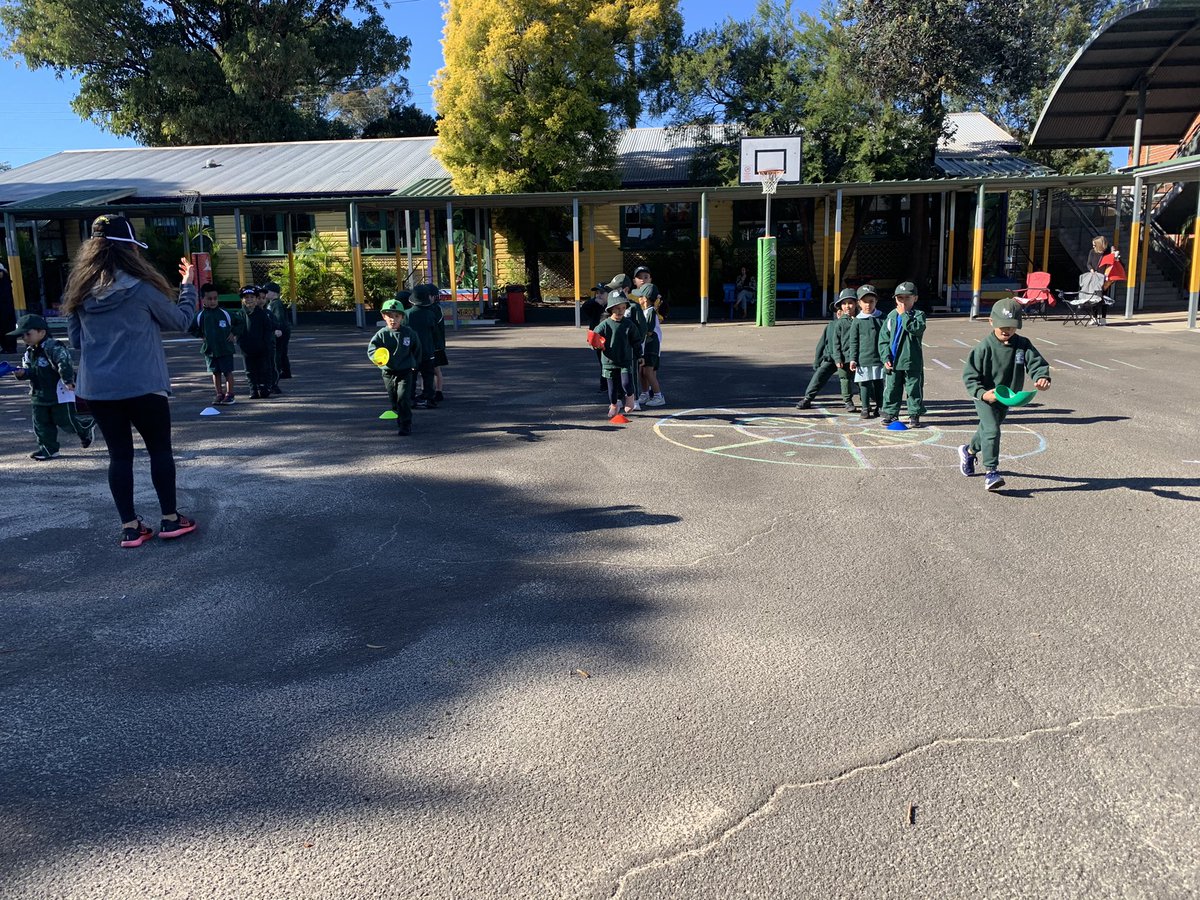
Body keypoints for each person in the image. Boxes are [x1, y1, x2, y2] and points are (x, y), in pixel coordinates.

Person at [63, 215, 198, 547]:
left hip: (99, 389)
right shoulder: (143, 289)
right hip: (143, 384)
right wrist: (189, 287)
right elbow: (181, 322)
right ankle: (169, 519)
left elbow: (77, 342)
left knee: (119, 456)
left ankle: (130, 528)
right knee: (159, 451)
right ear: (130, 251)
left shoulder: (79, 293)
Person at [960, 297, 1052, 492]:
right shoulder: (983, 348)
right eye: (1002, 325)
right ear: (991, 322)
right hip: (986, 396)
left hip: (1008, 396)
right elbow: (970, 376)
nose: (1006, 330)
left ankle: (968, 451)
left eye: (1011, 326)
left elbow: (1036, 363)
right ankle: (991, 472)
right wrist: (982, 394)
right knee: (992, 430)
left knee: (986, 430)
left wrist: (1042, 377)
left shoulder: (1022, 344)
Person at [9, 312, 96, 460]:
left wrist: (68, 380)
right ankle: (48, 448)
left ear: (41, 332)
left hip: (59, 393)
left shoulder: (54, 347)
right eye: (22, 336)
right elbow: (30, 370)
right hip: (38, 394)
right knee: (41, 423)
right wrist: (21, 373)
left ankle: (85, 429)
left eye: (27, 334)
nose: (24, 338)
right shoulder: (29, 352)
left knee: (66, 421)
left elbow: (64, 362)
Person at [368, 299, 422, 436]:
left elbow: (417, 349)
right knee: (394, 399)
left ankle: (406, 424)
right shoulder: (382, 334)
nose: (393, 319)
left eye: (397, 316)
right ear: (384, 317)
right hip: (388, 371)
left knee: (403, 397)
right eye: (390, 316)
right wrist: (377, 358)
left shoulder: (409, 333)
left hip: (405, 371)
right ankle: (399, 414)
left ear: (402, 317)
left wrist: (415, 364)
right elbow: (372, 350)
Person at [797, 290, 857, 410]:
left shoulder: (857, 322)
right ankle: (807, 398)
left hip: (847, 357)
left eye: (849, 303)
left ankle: (865, 400)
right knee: (819, 376)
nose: (839, 312)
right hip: (831, 357)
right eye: (838, 310)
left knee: (858, 380)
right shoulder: (831, 326)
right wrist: (817, 360)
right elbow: (821, 344)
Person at [879, 282, 927, 427]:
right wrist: (885, 356)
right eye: (900, 298)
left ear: (915, 299)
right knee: (892, 388)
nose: (903, 301)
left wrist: (904, 315)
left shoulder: (919, 315)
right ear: (895, 299)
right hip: (893, 361)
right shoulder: (892, 316)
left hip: (912, 361)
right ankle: (891, 413)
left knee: (914, 389)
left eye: (907, 298)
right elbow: (883, 339)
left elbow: (916, 329)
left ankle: (914, 414)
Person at [189, 282, 242, 405]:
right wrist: (200, 335)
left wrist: (233, 333)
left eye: (215, 298)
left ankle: (230, 394)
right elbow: (191, 327)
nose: (213, 301)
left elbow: (240, 322)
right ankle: (219, 393)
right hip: (210, 350)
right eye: (209, 299)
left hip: (225, 348)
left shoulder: (225, 313)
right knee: (215, 372)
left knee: (227, 371)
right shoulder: (200, 316)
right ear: (203, 300)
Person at [592, 291, 637, 418]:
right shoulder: (605, 324)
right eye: (617, 308)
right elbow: (594, 336)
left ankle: (630, 397)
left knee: (626, 383)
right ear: (611, 309)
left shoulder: (628, 324)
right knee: (611, 390)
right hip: (608, 361)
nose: (620, 311)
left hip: (624, 360)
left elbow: (636, 340)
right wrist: (595, 343)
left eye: (623, 308)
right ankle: (613, 405)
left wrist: (640, 355)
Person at [847, 284, 885, 419]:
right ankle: (865, 407)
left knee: (879, 383)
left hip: (879, 358)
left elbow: (887, 338)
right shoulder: (857, 321)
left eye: (871, 301)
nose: (868, 305)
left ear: (876, 302)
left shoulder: (882, 318)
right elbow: (854, 341)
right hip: (863, 358)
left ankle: (880, 406)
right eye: (864, 302)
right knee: (864, 384)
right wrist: (853, 358)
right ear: (859, 303)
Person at [406, 284, 444, 409]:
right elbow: (435, 332)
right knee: (428, 375)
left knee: (411, 375)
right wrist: (437, 346)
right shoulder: (430, 314)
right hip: (428, 350)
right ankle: (429, 398)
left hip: (411, 351)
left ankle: (411, 398)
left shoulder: (406, 314)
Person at [236, 285, 274, 399]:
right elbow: (236, 329)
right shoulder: (240, 314)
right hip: (246, 348)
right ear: (242, 299)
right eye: (246, 297)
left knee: (263, 367)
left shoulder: (262, 314)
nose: (249, 299)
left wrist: (266, 343)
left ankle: (264, 387)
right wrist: (240, 342)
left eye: (252, 297)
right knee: (249, 370)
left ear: (257, 299)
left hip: (261, 347)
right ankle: (253, 389)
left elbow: (268, 329)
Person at [635, 287, 666, 408]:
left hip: (651, 345)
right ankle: (645, 393)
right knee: (642, 371)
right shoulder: (645, 311)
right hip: (645, 346)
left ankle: (658, 396)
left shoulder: (650, 312)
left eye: (640, 296)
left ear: (646, 299)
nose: (638, 299)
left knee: (648, 371)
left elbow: (647, 330)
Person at [581, 284, 607, 393]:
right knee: (602, 363)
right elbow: (585, 307)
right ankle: (604, 386)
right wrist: (594, 300)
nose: (598, 295)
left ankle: (615, 387)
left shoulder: (613, 307)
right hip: (597, 339)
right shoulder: (594, 306)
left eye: (601, 293)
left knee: (610, 363)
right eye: (597, 293)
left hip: (609, 338)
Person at [264, 281, 292, 381]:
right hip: (282, 330)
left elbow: (279, 318)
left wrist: (277, 329)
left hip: (281, 331)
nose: (265, 293)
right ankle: (285, 371)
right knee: (282, 351)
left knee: (279, 352)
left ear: (274, 292)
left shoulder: (276, 304)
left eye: (267, 291)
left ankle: (279, 370)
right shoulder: (272, 303)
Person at [1086, 235, 1113, 325]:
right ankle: (1094, 317)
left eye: (1094, 245)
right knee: (1093, 298)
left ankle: (1103, 318)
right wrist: (1091, 270)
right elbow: (1089, 263)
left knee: (1104, 298)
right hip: (1094, 278)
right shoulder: (1092, 252)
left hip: (1104, 279)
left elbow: (1111, 265)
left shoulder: (1107, 253)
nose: (1093, 247)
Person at [0, 263, 17, 354]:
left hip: (6, 308)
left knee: (8, 327)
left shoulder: (5, 282)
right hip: (4, 307)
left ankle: (10, 347)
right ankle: (5, 347)